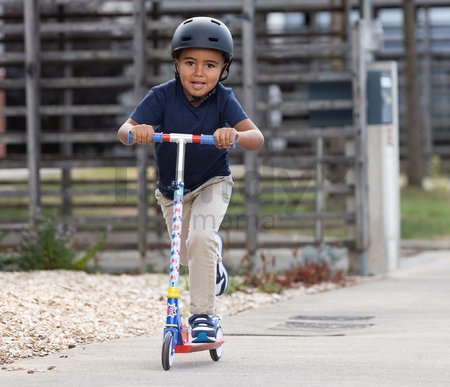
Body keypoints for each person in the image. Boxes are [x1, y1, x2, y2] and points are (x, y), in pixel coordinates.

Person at [118, 16, 264, 343]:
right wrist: (137, 132)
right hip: (172, 191)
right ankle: (213, 266)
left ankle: (203, 317)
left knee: (200, 238)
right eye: (190, 62)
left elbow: (257, 137)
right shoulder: (162, 96)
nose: (199, 72)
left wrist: (234, 136)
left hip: (212, 182)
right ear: (176, 63)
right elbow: (123, 130)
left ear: (223, 69)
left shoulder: (223, 99)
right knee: (184, 254)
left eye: (210, 65)